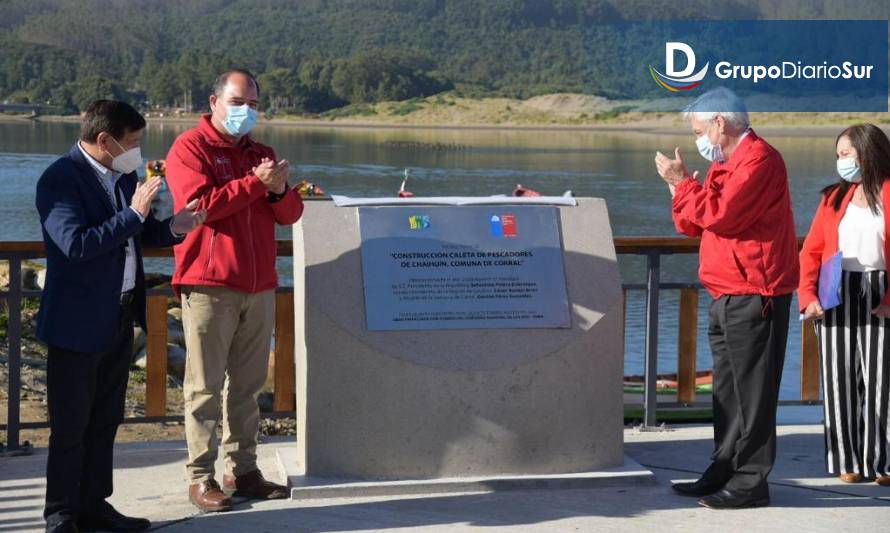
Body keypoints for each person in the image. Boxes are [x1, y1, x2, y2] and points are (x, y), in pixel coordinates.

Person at [35, 100, 207, 533]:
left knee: (105, 420)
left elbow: (139, 234)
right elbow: (76, 245)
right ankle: (61, 516)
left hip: (118, 315)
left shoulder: (123, 174)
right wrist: (133, 214)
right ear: (104, 140)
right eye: (132, 142)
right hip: (76, 322)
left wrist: (174, 228)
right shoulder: (60, 179)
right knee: (70, 426)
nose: (137, 150)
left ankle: (95, 506)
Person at [165, 69, 304, 512]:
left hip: (259, 285)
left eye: (254, 105)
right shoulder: (189, 148)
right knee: (203, 388)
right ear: (214, 101)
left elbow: (291, 215)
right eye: (238, 102)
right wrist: (256, 185)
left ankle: (243, 470)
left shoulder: (262, 153)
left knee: (247, 386)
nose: (247, 111)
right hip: (209, 286)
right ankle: (200, 476)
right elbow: (199, 208)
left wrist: (279, 190)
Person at [654, 87, 799, 509]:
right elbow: (693, 223)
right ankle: (724, 468)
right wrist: (679, 190)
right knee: (728, 392)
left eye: (700, 129)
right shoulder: (725, 164)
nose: (698, 139)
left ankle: (751, 481)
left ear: (721, 124)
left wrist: (683, 185)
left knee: (752, 393)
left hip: (756, 291)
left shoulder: (759, 160)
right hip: (725, 292)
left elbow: (722, 215)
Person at [799, 123, 890, 487]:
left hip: (881, 289)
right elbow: (812, 251)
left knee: (883, 382)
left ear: (868, 153)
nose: (841, 161)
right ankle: (846, 460)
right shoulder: (833, 197)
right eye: (838, 155)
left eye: (846, 153)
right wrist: (808, 296)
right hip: (836, 289)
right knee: (838, 381)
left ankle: (883, 462)